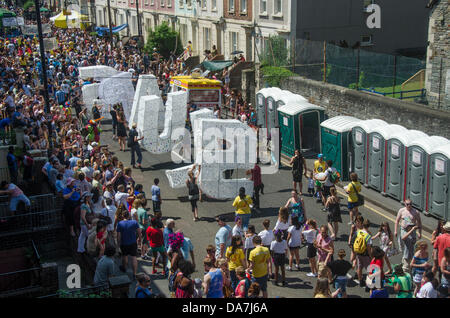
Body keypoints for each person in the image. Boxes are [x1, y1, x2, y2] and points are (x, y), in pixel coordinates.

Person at [395, 198, 422, 272]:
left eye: (410, 204)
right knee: (404, 247)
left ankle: (407, 264)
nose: (409, 206)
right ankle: (405, 262)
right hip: (404, 230)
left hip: (412, 231)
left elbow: (419, 222)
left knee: (410, 247)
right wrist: (395, 231)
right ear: (405, 204)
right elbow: (397, 220)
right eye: (407, 204)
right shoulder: (402, 210)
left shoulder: (416, 212)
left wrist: (419, 232)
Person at [116, 210, 142, 277]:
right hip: (133, 242)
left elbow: (118, 235)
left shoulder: (120, 223)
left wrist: (118, 244)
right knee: (134, 257)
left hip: (124, 242)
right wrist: (139, 239)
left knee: (124, 256)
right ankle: (135, 273)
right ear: (129, 215)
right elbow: (139, 232)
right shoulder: (134, 222)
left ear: (122, 216)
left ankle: (124, 268)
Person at [353, 219, 373, 287]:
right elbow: (368, 248)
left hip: (358, 253)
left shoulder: (358, 232)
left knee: (359, 267)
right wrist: (371, 256)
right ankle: (368, 285)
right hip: (365, 255)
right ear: (369, 226)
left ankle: (361, 281)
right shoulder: (368, 236)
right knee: (369, 270)